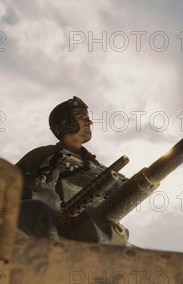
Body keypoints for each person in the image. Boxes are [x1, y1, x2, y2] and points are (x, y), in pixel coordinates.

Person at [15, 96, 129, 244]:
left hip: (89, 232)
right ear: (65, 122)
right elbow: (7, 183)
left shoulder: (99, 170)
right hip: (46, 225)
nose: (90, 122)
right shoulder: (43, 155)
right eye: (82, 117)